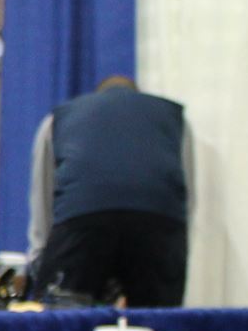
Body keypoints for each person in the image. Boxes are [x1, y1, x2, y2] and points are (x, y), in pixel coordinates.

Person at [28, 76, 194, 306]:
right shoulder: (175, 119)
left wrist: (41, 258)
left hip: (81, 220)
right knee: (158, 324)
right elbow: (185, 195)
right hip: (159, 224)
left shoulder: (58, 119)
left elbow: (44, 195)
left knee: (64, 322)